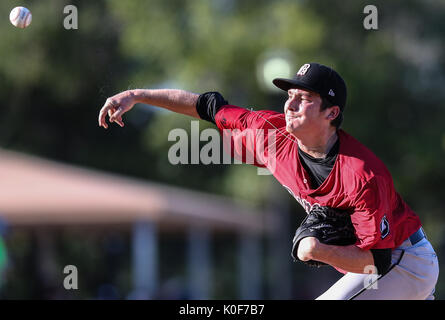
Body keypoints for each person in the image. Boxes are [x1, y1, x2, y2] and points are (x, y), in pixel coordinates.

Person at [98, 62, 439, 300]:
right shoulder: (269, 132)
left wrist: (317, 251)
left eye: (304, 98)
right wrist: (138, 95)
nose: (290, 103)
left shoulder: (362, 174)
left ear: (331, 113)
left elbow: (375, 261)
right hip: (381, 264)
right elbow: (207, 106)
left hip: (403, 260)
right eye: (289, 94)